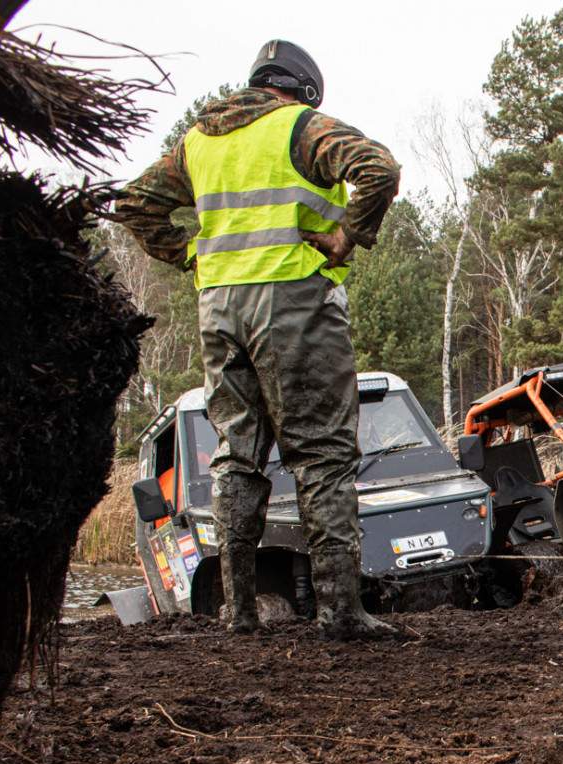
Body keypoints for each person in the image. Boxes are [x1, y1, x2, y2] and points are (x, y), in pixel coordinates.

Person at [115, 40, 401, 637]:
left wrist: (191, 255)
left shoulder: (197, 142)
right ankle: (340, 613)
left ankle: (238, 610)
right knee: (322, 454)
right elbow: (379, 169)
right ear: (305, 90)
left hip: (220, 310)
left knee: (237, 455)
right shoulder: (300, 126)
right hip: (294, 302)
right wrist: (347, 236)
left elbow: (134, 203)